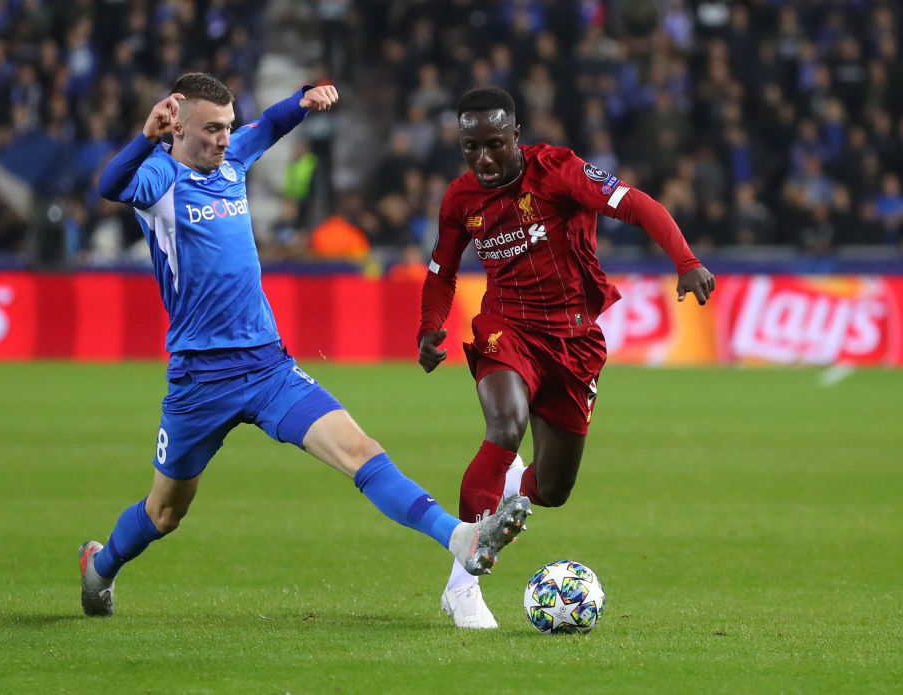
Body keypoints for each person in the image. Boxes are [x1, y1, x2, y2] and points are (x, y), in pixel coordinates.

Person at [78, 73, 532, 618]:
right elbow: (110, 185)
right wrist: (144, 138)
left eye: (227, 127)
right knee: (165, 513)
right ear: (177, 125)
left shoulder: (232, 160)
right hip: (199, 382)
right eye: (212, 130)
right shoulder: (158, 176)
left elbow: (266, 126)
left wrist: (302, 101)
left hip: (267, 367)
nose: (225, 139)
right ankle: (100, 568)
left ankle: (459, 538)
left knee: (361, 452)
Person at [418, 87, 715, 629]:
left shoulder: (559, 171)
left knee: (552, 489)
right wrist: (430, 327)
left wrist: (686, 261)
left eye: (493, 145)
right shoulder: (460, 199)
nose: (482, 159)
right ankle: (464, 586)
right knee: (504, 428)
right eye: (470, 147)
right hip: (506, 329)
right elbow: (442, 271)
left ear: (516, 137)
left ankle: (507, 490)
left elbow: (639, 205)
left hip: (575, 341)